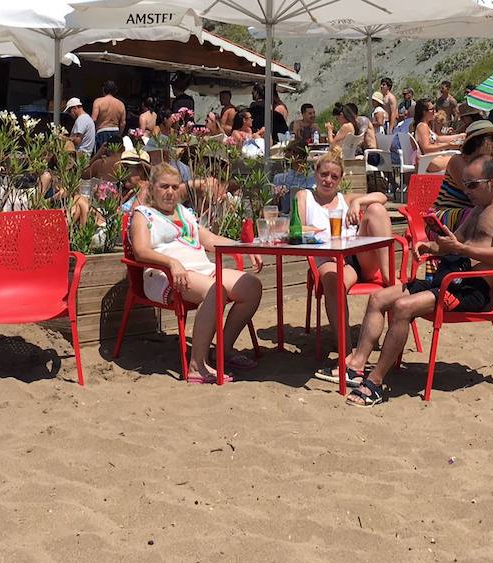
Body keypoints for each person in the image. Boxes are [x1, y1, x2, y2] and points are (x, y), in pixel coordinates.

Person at [343, 155, 493, 406]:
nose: (466, 190)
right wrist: (429, 246)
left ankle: (374, 383)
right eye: (465, 184)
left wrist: (460, 249)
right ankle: (357, 366)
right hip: (448, 277)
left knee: (402, 307)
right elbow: (454, 241)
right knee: (378, 297)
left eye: (472, 185)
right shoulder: (477, 210)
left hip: (471, 288)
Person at [128, 162, 263, 384]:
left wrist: (244, 248)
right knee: (215, 290)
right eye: (164, 187)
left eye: (174, 187)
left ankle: (223, 351)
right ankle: (196, 364)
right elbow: (141, 251)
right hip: (164, 275)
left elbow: (209, 240)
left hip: (200, 270)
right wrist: (171, 262)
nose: (170, 192)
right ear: (152, 188)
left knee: (251, 286)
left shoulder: (184, 212)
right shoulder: (144, 215)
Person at [294, 148, 394, 379]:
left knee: (376, 210)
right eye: (324, 174)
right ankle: (346, 353)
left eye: (334, 176)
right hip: (327, 257)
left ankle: (390, 282)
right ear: (315, 173)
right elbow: (296, 228)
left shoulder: (344, 199)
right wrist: (321, 232)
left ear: (340, 180)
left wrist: (357, 202)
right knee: (333, 281)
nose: (328, 180)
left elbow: (382, 197)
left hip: (356, 258)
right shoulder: (304, 197)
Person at [436, 121, 493, 231]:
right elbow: (477, 191)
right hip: (445, 217)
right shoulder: (458, 161)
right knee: (484, 215)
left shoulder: (489, 163)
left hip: (473, 212)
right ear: (479, 141)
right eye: (492, 139)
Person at [412, 98, 465, 173]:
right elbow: (426, 148)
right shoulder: (422, 126)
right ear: (424, 112)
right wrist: (448, 145)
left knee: (460, 159)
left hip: (433, 159)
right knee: (461, 161)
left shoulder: (426, 126)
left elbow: (438, 139)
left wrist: (459, 136)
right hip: (430, 161)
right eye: (432, 109)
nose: (434, 111)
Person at [91, 81, 126, 150]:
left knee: (101, 156)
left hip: (102, 131)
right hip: (115, 131)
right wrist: (119, 135)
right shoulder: (121, 104)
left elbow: (93, 119)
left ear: (103, 90)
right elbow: (123, 123)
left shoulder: (98, 102)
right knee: (114, 156)